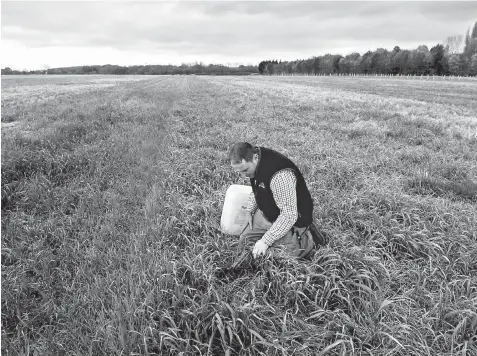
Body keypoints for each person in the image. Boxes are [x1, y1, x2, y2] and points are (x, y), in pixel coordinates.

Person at [228, 142, 320, 259]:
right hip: (266, 216)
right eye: (239, 172)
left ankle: (307, 239)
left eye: (245, 170)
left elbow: (289, 215)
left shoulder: (280, 175)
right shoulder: (255, 162)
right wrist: (249, 211)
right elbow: (256, 188)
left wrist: (265, 241)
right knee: (244, 243)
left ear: (255, 158)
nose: (243, 176)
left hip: (291, 222)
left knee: (276, 259)